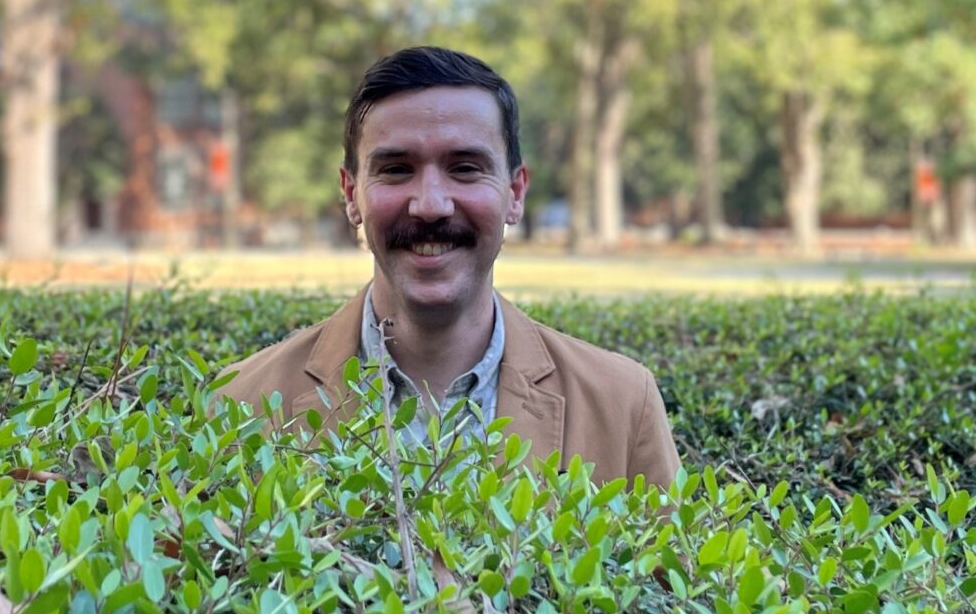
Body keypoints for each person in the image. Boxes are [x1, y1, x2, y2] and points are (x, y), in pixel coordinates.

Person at [218, 46, 680, 486]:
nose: (431, 206)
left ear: (515, 193)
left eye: (465, 168)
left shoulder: (621, 406)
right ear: (350, 193)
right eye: (397, 170)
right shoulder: (240, 405)